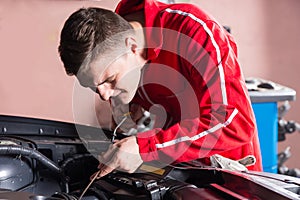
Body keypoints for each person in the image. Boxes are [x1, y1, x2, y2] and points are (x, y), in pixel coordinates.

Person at [58, 0, 263, 178]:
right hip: (179, 176)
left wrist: (147, 148)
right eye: (94, 88)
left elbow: (234, 123)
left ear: (132, 46)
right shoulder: (114, 43)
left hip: (230, 177)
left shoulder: (194, 31)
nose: (104, 95)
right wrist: (130, 113)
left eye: (110, 80)